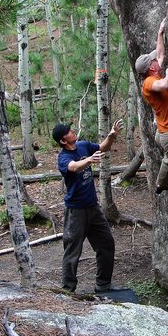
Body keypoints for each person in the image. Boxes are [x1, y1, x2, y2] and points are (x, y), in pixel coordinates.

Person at [52, 119, 123, 293]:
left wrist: (111, 136)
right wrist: (90, 161)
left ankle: (103, 284)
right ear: (63, 140)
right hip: (76, 211)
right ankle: (68, 290)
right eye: (69, 132)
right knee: (72, 250)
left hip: (93, 208)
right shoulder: (64, 157)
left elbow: (102, 147)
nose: (72, 131)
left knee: (106, 243)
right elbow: (73, 167)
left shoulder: (83, 145)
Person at [135, 18, 168, 228]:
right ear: (151, 68)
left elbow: (160, 52)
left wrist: (160, 32)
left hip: (163, 133)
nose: (157, 59)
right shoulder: (150, 83)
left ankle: (160, 183)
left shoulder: (150, 73)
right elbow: (165, 83)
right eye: (153, 60)